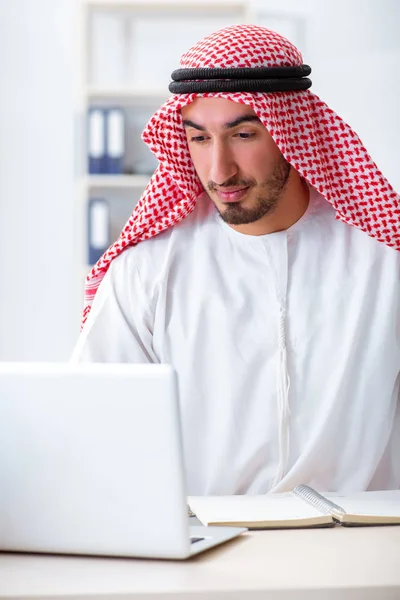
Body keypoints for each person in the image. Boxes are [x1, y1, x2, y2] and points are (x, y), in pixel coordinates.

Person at [72, 24, 400, 495]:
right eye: (199, 139)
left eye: (243, 134)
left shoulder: (384, 260)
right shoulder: (147, 269)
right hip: (205, 542)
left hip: (365, 543)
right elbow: (95, 424)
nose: (219, 170)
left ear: (292, 132)